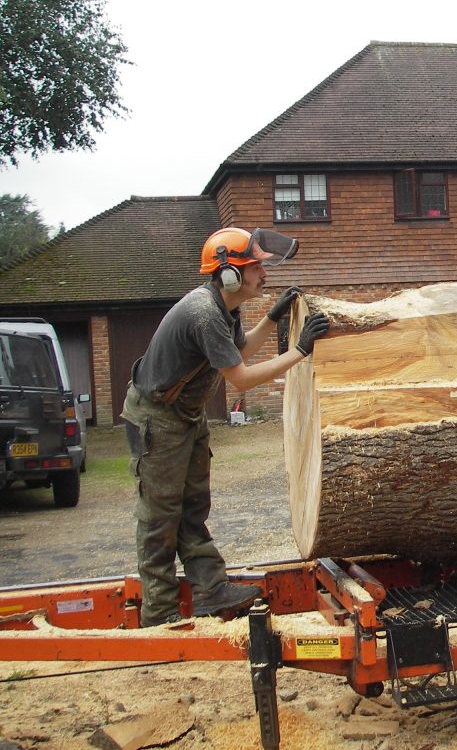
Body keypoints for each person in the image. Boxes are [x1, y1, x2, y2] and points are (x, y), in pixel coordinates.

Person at [122, 227, 329, 627]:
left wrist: (271, 319)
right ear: (231, 274)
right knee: (160, 516)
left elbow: (239, 351)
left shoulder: (225, 310)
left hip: (186, 416)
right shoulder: (204, 313)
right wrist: (300, 351)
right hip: (157, 419)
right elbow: (243, 377)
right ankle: (160, 613)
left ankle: (210, 590)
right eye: (256, 268)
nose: (264, 275)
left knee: (193, 507)